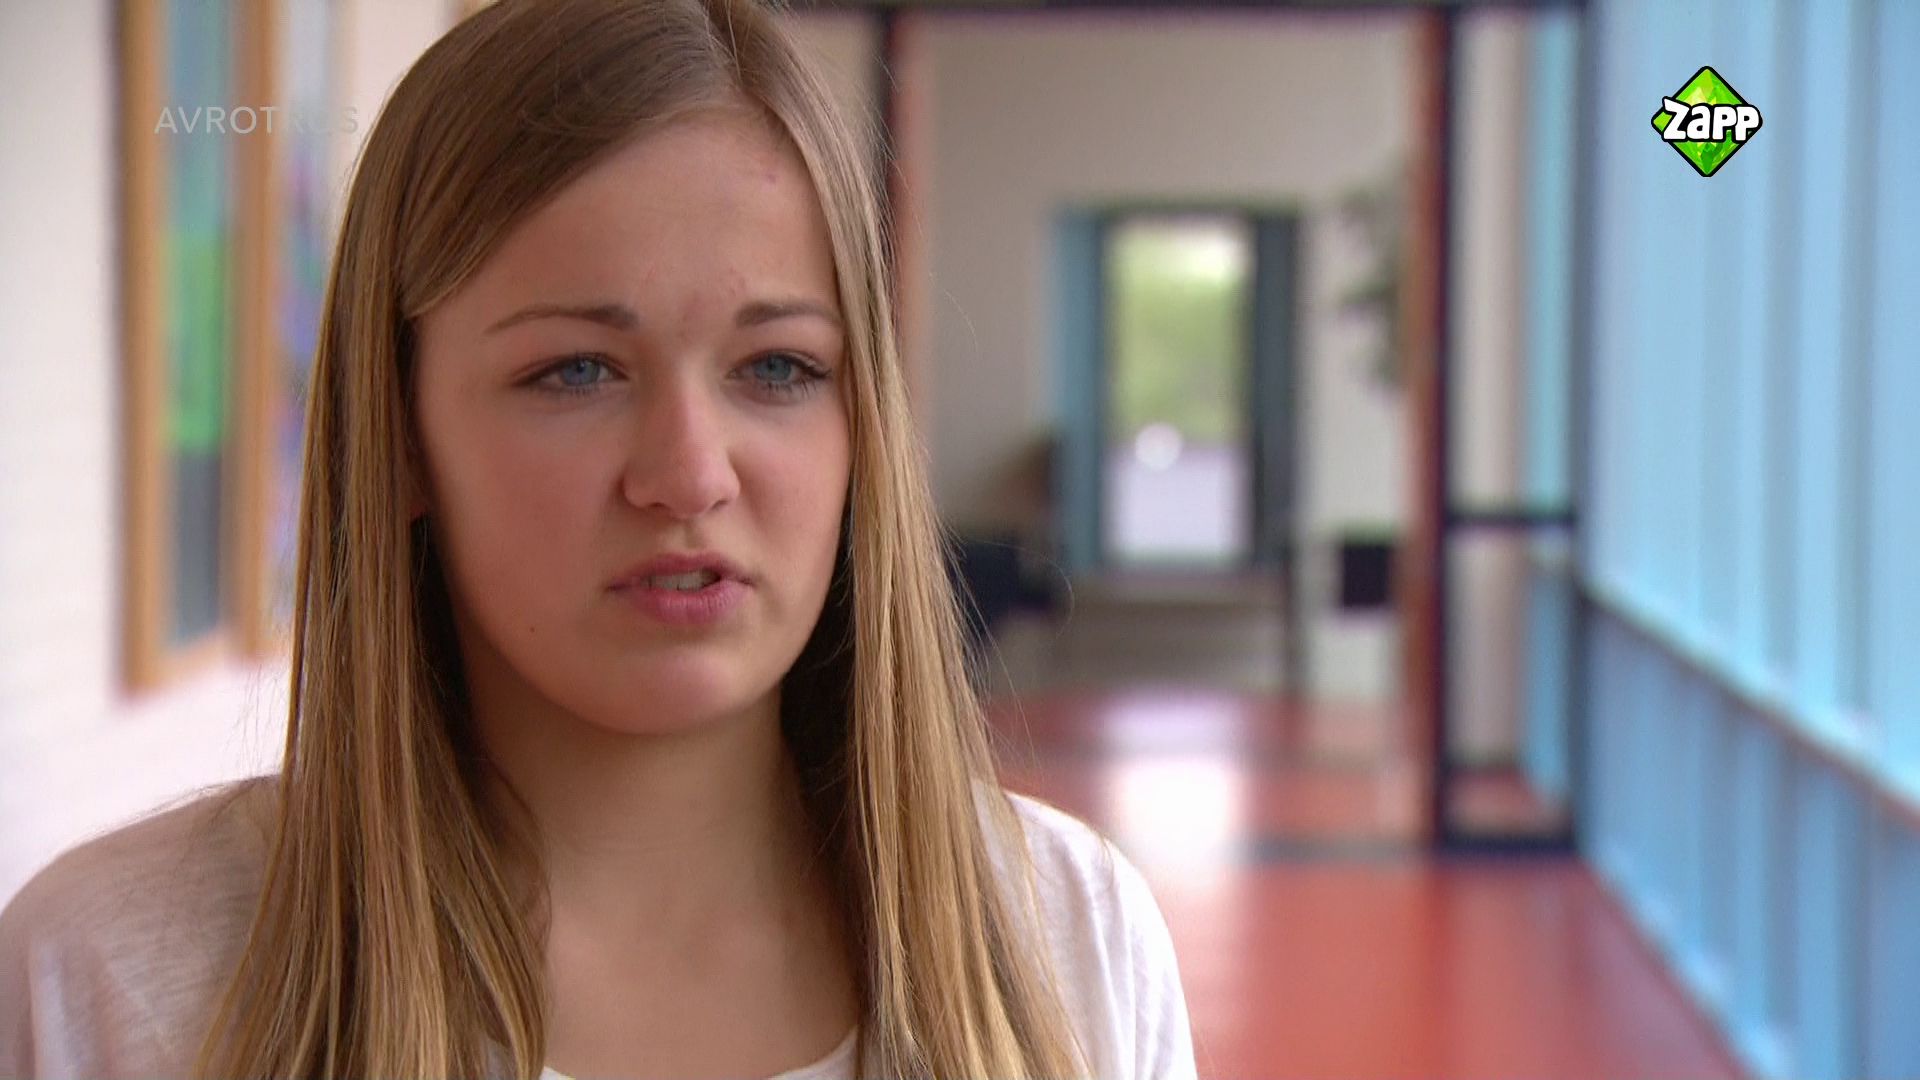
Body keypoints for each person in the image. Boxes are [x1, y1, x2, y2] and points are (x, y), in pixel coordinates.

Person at [0, 1, 1197, 1077]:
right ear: (400, 433)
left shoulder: (1069, 939)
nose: (689, 474)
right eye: (575, 370)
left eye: (778, 367)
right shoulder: (111, 976)